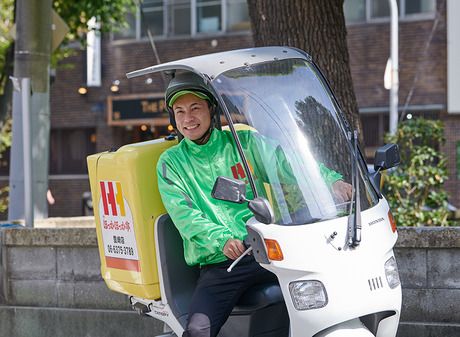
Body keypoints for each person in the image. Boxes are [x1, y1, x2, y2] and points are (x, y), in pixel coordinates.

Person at [156, 72, 352, 337]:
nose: (187, 118)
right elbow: (185, 214)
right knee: (198, 329)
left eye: (195, 108)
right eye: (179, 112)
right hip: (223, 261)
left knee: (327, 295)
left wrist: (330, 182)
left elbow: (287, 162)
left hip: (267, 250)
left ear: (211, 110)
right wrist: (222, 240)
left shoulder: (243, 143)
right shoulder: (171, 163)